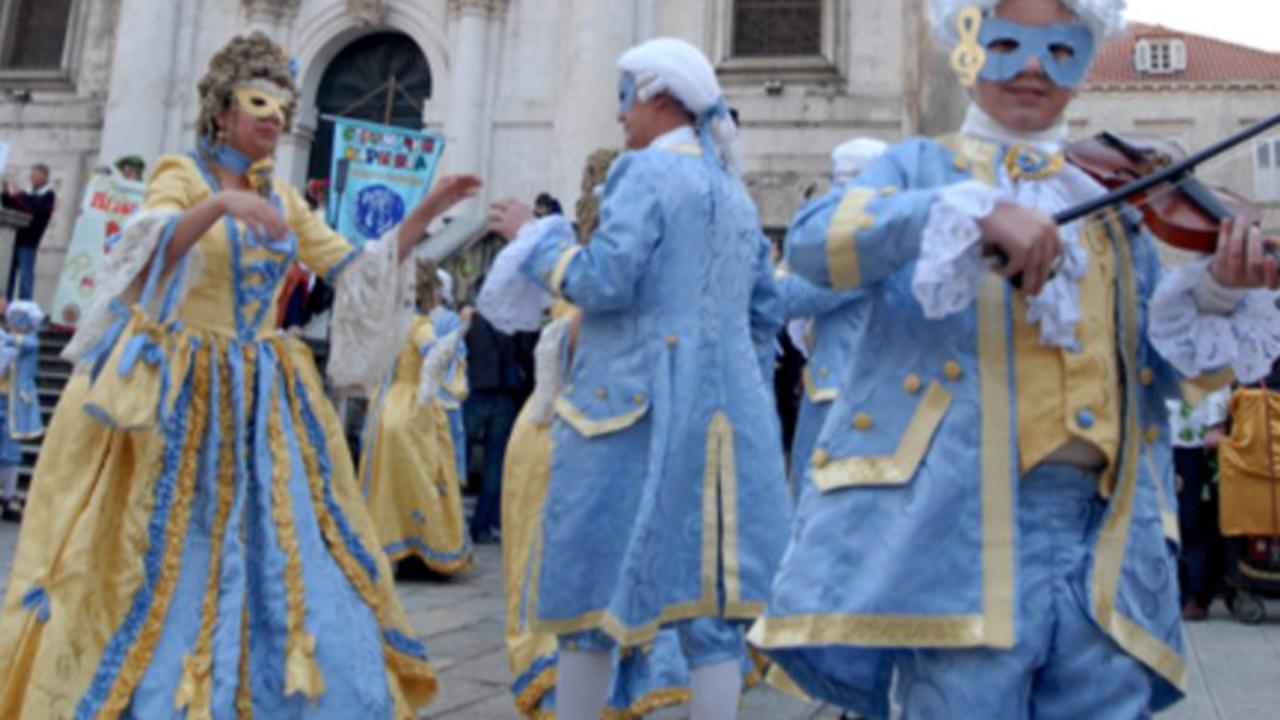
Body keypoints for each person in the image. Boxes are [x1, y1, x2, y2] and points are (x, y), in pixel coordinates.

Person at [749, 1, 1280, 718]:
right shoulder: (921, 169)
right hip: (959, 531)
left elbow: (1153, 373)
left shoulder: (1113, 206)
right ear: (964, 48)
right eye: (1005, 42)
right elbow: (815, 243)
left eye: (1059, 48)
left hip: (1106, 539)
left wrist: (1217, 292)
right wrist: (964, 212)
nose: (1032, 66)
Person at [0, 32, 480, 719]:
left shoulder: (282, 197)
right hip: (177, 388)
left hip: (261, 392)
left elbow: (354, 267)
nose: (274, 121)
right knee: (164, 540)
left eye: (283, 110)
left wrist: (427, 211)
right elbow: (147, 250)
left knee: (280, 539)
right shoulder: (180, 173)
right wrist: (220, 206)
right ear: (223, 110)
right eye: (260, 105)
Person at [488, 37, 789, 720]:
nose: (620, 114)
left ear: (657, 96)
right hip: (726, 422)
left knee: (589, 589)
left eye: (624, 97)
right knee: (710, 605)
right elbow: (764, 313)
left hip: (629, 412)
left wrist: (540, 240)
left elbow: (605, 279)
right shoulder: (734, 194)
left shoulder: (644, 172)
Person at [776, 138, 886, 497]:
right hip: (838, 384)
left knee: (820, 502)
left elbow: (800, 296)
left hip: (843, 392)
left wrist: (759, 284)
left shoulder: (864, 238)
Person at [358, 260, 471, 575]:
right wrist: (457, 337)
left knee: (387, 480)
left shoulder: (389, 325)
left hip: (385, 407)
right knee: (422, 477)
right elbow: (436, 355)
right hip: (412, 407)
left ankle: (390, 544)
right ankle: (423, 547)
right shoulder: (419, 326)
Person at [1169, 386, 1231, 620]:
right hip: (1156, 433)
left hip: (1195, 436)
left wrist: (1217, 424)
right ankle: (1170, 593)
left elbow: (1219, 374)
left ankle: (1196, 595)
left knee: (1192, 519)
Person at [0, 300, 44, 522]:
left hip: (15, 402)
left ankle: (8, 497)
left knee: (10, 449)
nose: (13, 322)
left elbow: (23, 343)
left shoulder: (29, 342)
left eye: (18, 318)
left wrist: (5, 337)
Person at [1, 163, 56, 301]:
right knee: (7, 274)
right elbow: (12, 204)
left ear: (44, 177)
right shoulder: (27, 193)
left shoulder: (48, 195)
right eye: (32, 174)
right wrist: (6, 192)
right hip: (14, 238)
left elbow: (33, 206)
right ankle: (4, 303)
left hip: (29, 242)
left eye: (35, 175)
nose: (31, 177)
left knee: (26, 275)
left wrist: (18, 196)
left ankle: (25, 305)